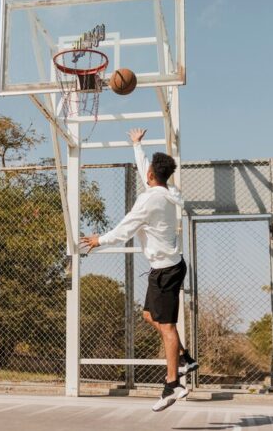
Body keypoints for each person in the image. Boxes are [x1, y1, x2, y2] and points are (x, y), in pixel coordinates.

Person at [80, 128, 198, 412]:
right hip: (168, 266)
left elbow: (124, 229)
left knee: (167, 327)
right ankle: (184, 359)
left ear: (150, 176)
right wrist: (137, 145)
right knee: (149, 315)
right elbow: (147, 168)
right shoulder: (169, 192)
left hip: (165, 270)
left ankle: (173, 385)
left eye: (147, 170)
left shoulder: (148, 201)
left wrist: (99, 240)